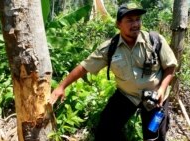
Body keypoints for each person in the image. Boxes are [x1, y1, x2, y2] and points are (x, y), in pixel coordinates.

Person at [50, 3, 178, 141]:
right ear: (118, 24)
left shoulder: (154, 41)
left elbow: (170, 66)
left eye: (137, 19)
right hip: (127, 95)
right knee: (106, 130)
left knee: (154, 136)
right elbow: (84, 67)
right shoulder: (110, 48)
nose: (135, 24)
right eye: (129, 20)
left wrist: (162, 88)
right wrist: (61, 87)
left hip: (155, 97)